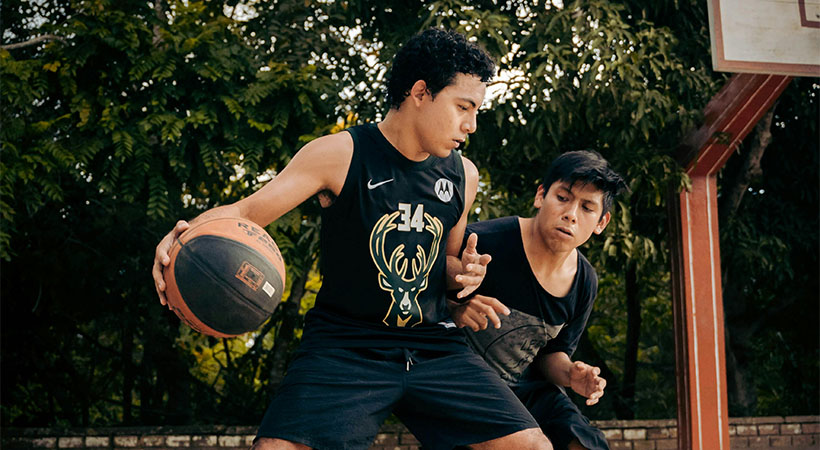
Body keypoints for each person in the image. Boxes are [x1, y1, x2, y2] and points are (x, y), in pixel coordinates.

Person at [152, 29, 552, 450]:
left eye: (476, 112)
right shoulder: (339, 154)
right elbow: (245, 213)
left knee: (532, 446)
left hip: (433, 343)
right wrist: (183, 234)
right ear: (420, 92)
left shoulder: (462, 175)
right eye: (463, 107)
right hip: (346, 344)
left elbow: (444, 269)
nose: (471, 125)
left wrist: (463, 279)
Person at [448, 150, 627, 450]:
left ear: (601, 223)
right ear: (540, 195)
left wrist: (572, 374)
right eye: (563, 197)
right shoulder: (484, 243)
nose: (571, 214)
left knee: (586, 445)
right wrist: (456, 308)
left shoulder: (584, 281)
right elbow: (420, 299)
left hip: (528, 388)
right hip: (465, 384)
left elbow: (551, 355)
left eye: (587, 207)